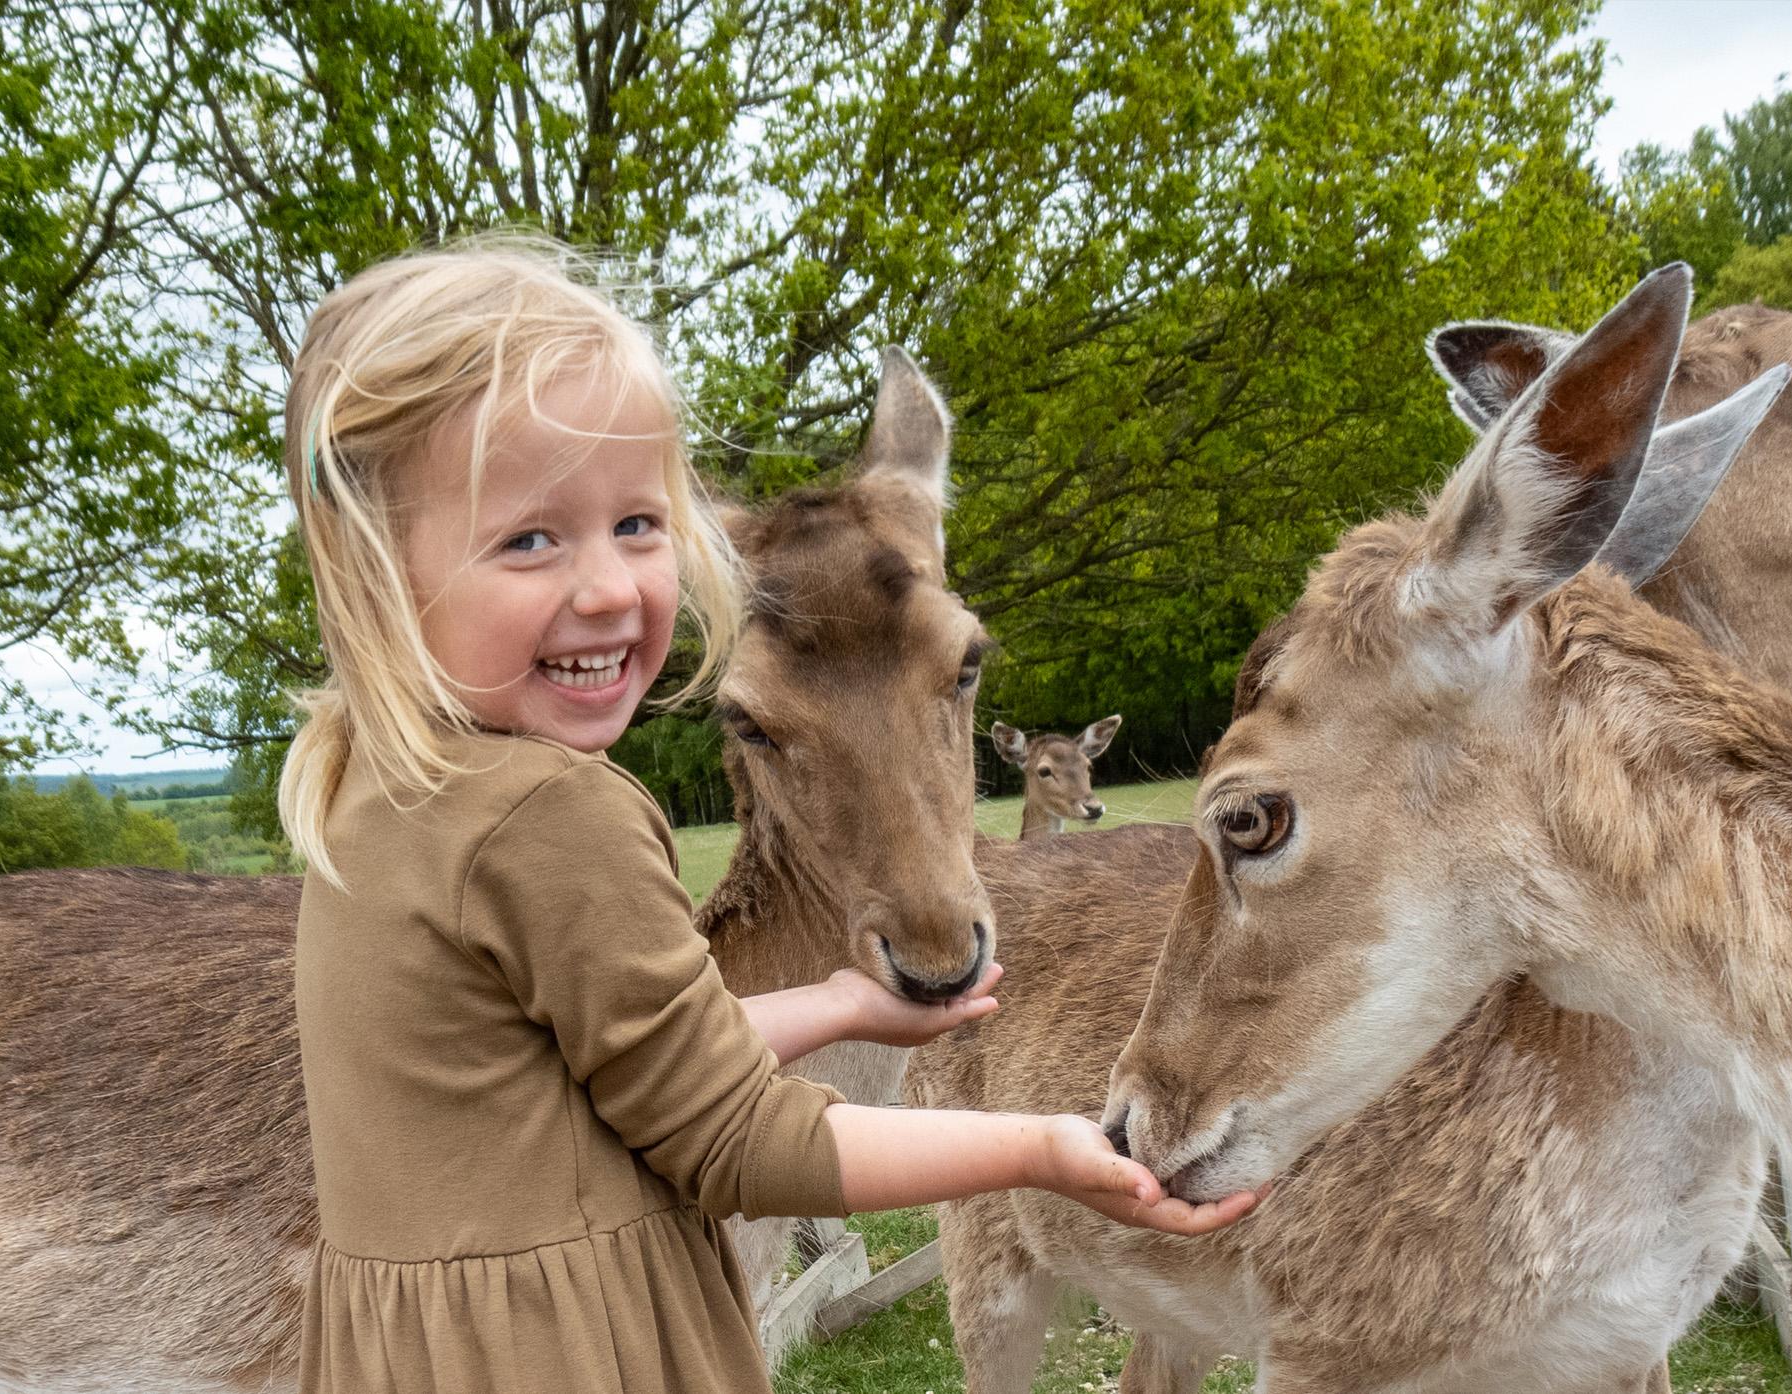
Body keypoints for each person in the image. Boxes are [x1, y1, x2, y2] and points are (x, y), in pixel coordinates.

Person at [281, 238, 1257, 1394]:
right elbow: (740, 1137)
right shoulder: (551, 816)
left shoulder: (372, 787)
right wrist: (1040, 1146)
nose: (604, 585)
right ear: (377, 567)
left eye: (637, 523)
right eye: (531, 537)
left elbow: (594, 1076)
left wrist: (829, 1004)